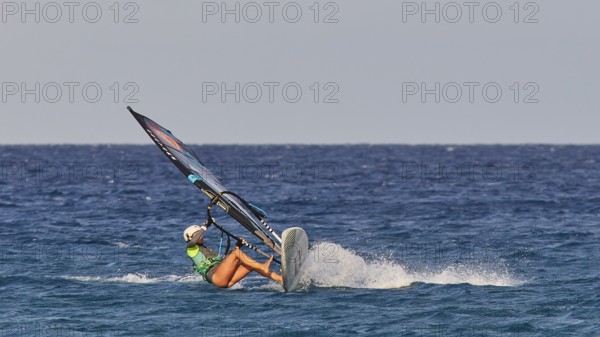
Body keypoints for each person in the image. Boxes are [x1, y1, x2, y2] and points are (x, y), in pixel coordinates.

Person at [184, 224, 282, 288]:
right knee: (236, 253)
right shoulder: (191, 249)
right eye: (197, 235)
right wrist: (204, 227)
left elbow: (225, 264)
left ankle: (280, 279)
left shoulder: (207, 249)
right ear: (190, 238)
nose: (201, 236)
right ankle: (262, 266)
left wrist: (237, 245)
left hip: (225, 279)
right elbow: (193, 241)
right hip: (216, 278)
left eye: (200, 234)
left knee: (249, 264)